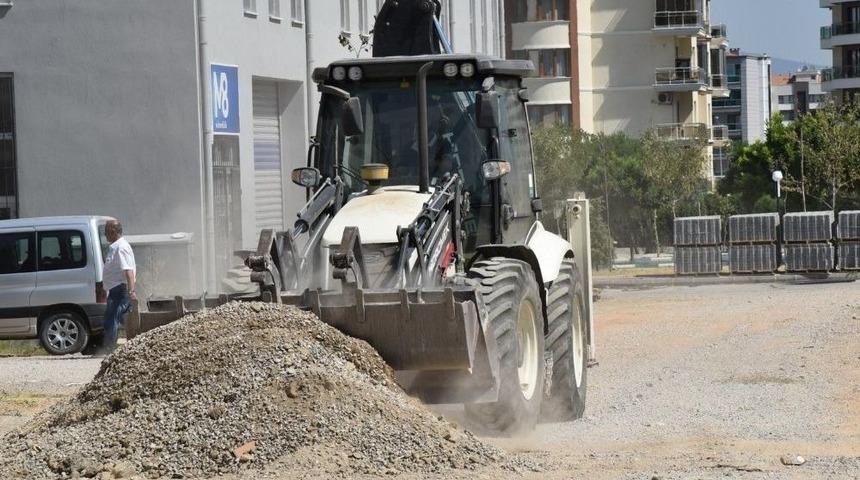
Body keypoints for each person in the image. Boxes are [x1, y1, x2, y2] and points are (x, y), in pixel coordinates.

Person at [99, 219, 136, 354]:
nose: (105, 235)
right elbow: (112, 271)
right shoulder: (115, 247)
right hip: (114, 289)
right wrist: (104, 288)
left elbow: (129, 271)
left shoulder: (121, 248)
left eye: (106, 232)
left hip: (119, 289)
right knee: (120, 318)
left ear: (113, 232)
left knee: (112, 319)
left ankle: (109, 349)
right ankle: (128, 344)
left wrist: (131, 290)